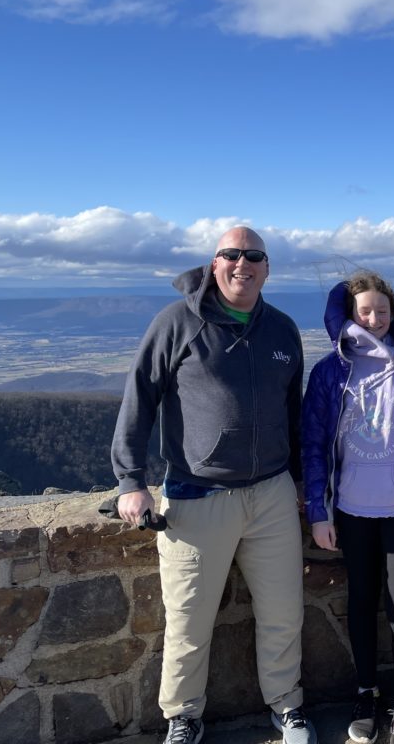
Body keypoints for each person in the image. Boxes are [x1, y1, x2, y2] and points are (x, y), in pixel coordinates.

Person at [111, 226, 316, 744]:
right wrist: (130, 482)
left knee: (283, 611)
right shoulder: (177, 322)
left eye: (253, 256)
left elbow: (294, 415)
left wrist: (300, 480)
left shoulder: (283, 330)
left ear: (267, 269)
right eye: (231, 254)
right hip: (197, 493)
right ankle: (182, 717)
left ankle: (287, 706)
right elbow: (139, 398)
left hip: (271, 492)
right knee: (188, 618)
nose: (241, 263)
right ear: (214, 262)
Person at [301, 271, 394, 744]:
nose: (375, 318)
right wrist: (318, 513)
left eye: (382, 309)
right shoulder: (329, 370)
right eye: (365, 310)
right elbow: (314, 443)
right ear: (349, 314)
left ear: (393, 312)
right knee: (361, 602)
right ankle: (366, 693)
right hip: (353, 507)